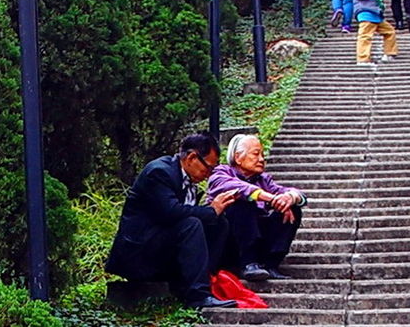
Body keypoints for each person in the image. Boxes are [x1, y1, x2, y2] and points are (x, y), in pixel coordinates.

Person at [105, 132, 238, 309]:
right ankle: (197, 295)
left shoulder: (188, 179)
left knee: (218, 223)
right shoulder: (159, 172)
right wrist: (211, 210)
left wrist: (213, 214)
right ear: (191, 157)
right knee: (193, 224)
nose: (208, 175)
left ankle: (206, 281)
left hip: (164, 247)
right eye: (208, 168)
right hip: (141, 253)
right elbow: (171, 212)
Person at [207, 134, 307, 282]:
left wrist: (290, 198)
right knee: (242, 201)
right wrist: (270, 198)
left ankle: (270, 265)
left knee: (292, 209)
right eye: (256, 154)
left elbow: (297, 195)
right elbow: (240, 189)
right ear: (238, 157)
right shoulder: (220, 173)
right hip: (230, 243)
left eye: (262, 155)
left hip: (257, 238)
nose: (261, 159)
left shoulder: (263, 180)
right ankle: (248, 263)